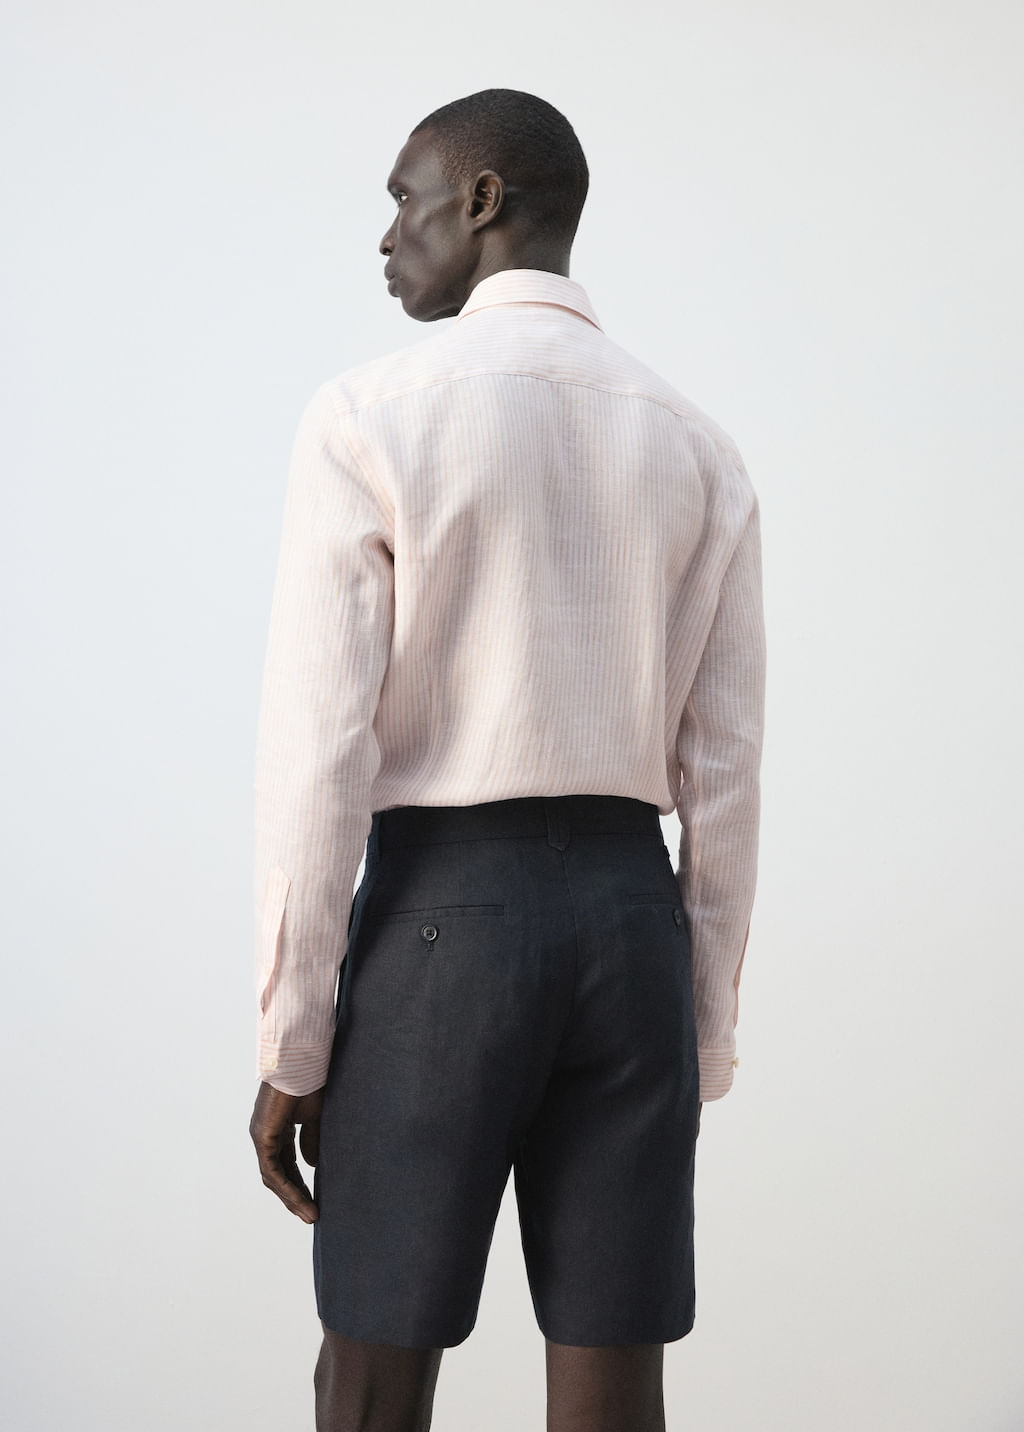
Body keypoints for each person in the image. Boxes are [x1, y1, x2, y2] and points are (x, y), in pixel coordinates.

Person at [248, 88, 765, 1432]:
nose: (386, 236)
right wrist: (699, 1025)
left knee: (371, 1375)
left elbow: (320, 752)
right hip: (631, 932)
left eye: (402, 198)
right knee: (614, 1383)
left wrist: (292, 1034)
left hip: (441, 928)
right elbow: (726, 774)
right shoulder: (697, 443)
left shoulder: (369, 416)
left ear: (482, 201)